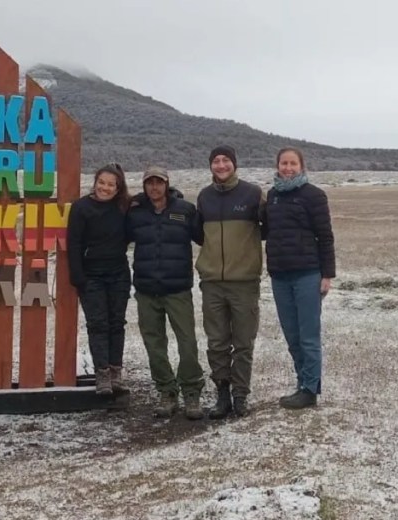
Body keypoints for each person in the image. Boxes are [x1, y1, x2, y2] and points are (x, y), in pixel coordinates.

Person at [193, 146, 266, 419]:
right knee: (217, 342)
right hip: (212, 282)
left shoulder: (253, 194)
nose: (221, 165)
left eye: (226, 161)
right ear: (210, 166)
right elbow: (200, 236)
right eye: (216, 161)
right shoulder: (204, 197)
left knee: (244, 342)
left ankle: (240, 395)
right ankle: (222, 393)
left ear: (234, 164)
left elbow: (269, 229)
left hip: (244, 281)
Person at [126, 167, 205, 420]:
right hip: (147, 289)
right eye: (149, 183)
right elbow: (119, 236)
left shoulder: (185, 210)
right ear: (144, 185)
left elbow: (206, 238)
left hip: (177, 289)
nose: (154, 187)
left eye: (159, 182)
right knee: (154, 344)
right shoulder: (136, 212)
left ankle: (191, 391)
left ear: (167, 184)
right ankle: (166, 390)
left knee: (187, 343)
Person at [264, 147, 336, 410]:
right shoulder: (272, 196)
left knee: (308, 335)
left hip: (307, 274)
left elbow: (325, 236)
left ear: (301, 166)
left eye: (293, 163)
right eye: (284, 163)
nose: (288, 168)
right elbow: (265, 231)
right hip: (280, 275)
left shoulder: (314, 195)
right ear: (277, 165)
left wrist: (327, 274)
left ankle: (310, 389)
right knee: (292, 335)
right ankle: (301, 382)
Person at [67, 163, 131, 396]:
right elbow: (73, 243)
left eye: (111, 184)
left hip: (119, 274)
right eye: (101, 182)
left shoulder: (124, 206)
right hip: (91, 275)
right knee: (98, 324)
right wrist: (78, 276)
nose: (105, 188)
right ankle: (102, 373)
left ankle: (116, 372)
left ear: (118, 188)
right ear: (95, 183)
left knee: (117, 323)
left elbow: (146, 202)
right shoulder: (81, 207)